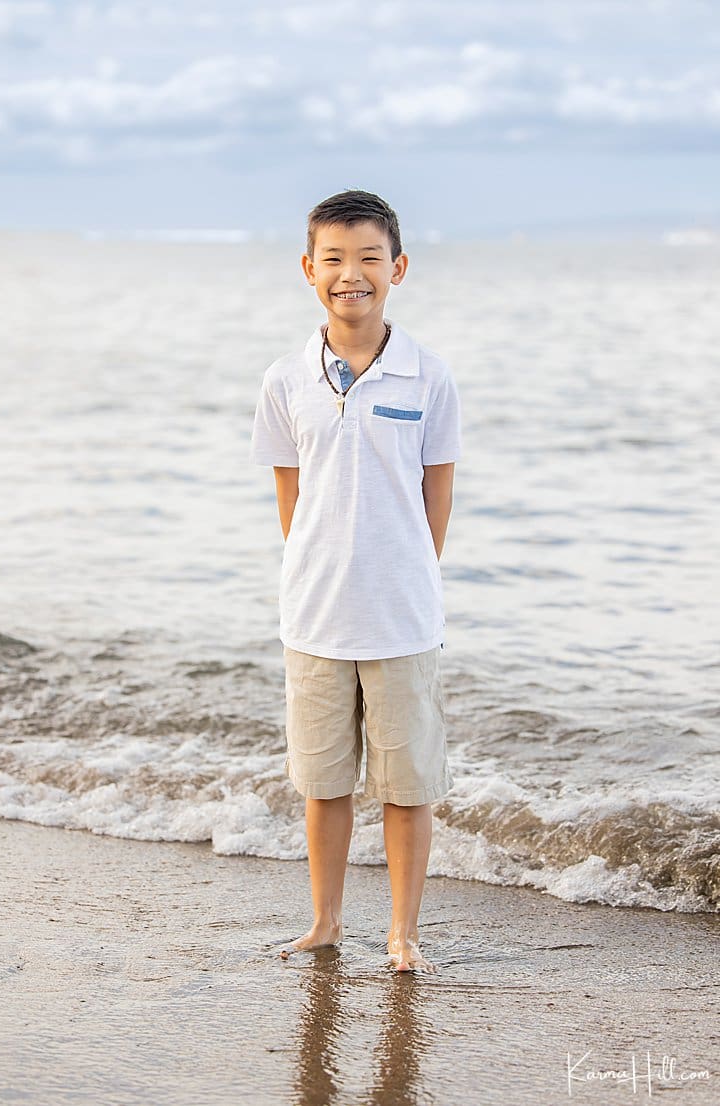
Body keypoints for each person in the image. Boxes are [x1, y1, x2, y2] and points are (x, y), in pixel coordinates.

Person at [248, 189, 460, 972]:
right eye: (334, 259)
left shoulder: (428, 377)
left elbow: (437, 494)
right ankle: (326, 921)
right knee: (324, 783)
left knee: (407, 787)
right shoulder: (285, 380)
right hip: (315, 619)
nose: (351, 275)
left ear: (397, 268)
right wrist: (321, 571)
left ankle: (403, 932)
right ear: (309, 270)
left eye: (369, 258)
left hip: (403, 617)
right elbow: (289, 498)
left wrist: (403, 571)